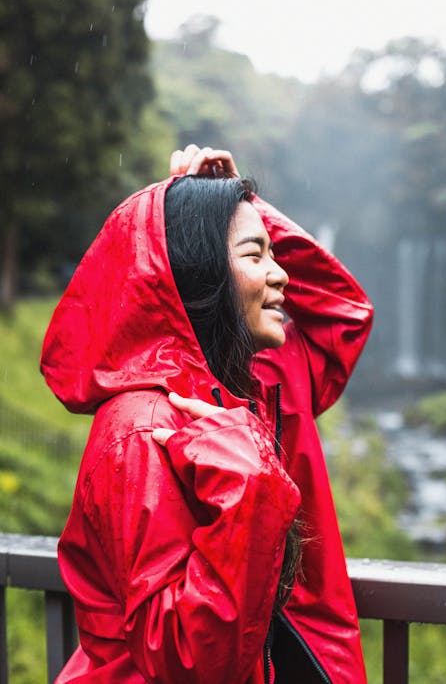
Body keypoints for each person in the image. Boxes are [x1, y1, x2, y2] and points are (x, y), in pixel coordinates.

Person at [41, 145, 374, 684]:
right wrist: (253, 490)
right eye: (255, 255)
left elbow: (344, 315)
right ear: (200, 272)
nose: (282, 275)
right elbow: (190, 665)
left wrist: (231, 202)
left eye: (274, 253)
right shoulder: (143, 429)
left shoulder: (261, 378)